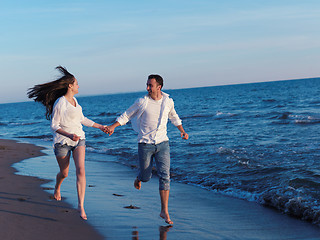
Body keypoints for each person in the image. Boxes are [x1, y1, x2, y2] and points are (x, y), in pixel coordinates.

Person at [106, 74, 189, 225]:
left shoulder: (168, 101)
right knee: (146, 176)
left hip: (163, 143)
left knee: (165, 176)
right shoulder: (142, 101)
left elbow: (174, 117)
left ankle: (164, 211)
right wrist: (113, 126)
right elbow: (126, 115)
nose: (147, 88)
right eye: (147, 85)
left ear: (159, 87)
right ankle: (139, 178)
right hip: (145, 144)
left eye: (150, 85)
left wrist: (182, 131)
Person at [27, 66, 107, 220]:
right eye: (76, 83)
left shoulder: (75, 101)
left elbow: (82, 119)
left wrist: (100, 126)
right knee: (64, 173)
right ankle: (57, 187)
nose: (78, 86)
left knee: (81, 171)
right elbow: (54, 126)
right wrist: (69, 134)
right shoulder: (60, 103)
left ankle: (81, 206)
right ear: (70, 85)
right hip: (62, 142)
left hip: (79, 140)